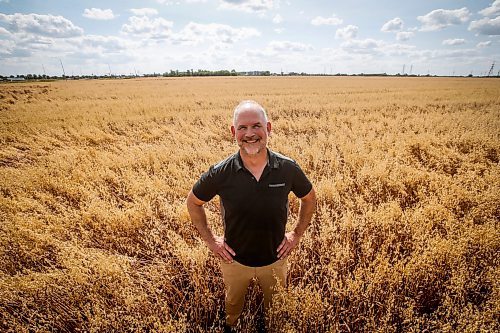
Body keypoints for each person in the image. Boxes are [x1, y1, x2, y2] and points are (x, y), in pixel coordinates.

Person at [186, 100, 316, 332]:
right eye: (243, 128)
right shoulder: (220, 172)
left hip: (276, 260)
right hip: (234, 261)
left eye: (256, 126)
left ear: (268, 128)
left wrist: (296, 235)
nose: (250, 134)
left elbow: (309, 198)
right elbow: (193, 203)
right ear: (233, 132)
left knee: (275, 311)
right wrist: (211, 241)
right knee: (233, 307)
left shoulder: (288, 168)